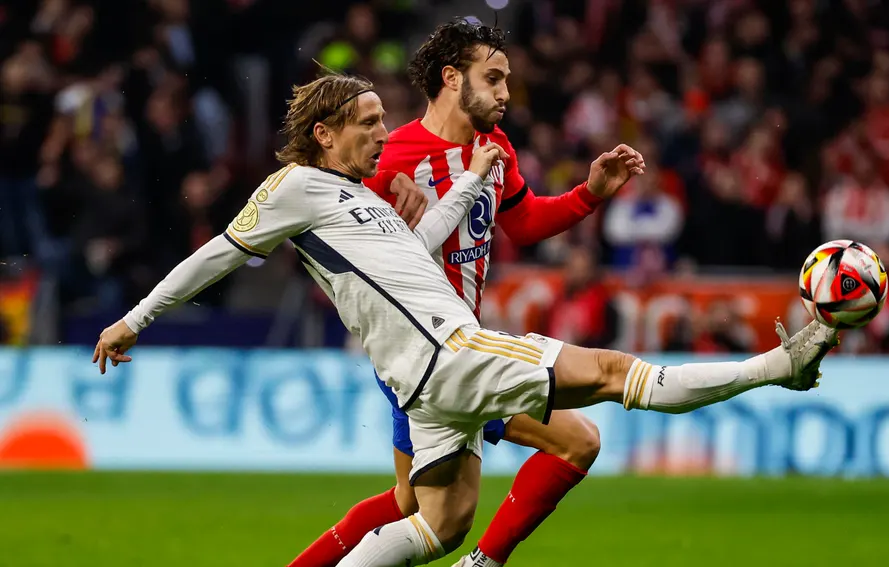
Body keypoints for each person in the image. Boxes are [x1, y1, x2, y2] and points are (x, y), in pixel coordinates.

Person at [93, 72, 840, 567]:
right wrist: (135, 319)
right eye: (366, 123)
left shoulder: (353, 199)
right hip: (450, 352)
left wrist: (475, 180)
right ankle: (785, 365)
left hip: (426, 382)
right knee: (614, 375)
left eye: (383, 120)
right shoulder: (295, 186)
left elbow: (414, 251)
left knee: (436, 527)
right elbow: (217, 254)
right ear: (323, 132)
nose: (381, 134)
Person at [290, 18, 638, 567]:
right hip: (423, 355)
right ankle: (484, 562)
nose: (505, 92)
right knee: (578, 440)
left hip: (464, 344)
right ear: (452, 78)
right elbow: (314, 209)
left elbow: (522, 223)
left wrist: (588, 194)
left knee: (410, 505)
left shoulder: (494, 146)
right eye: (493, 77)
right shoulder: (388, 155)